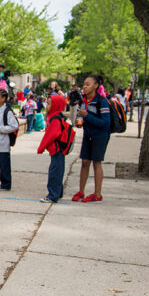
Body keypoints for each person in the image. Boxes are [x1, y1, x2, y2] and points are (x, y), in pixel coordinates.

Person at [72, 75, 111, 204]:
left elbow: (105, 123)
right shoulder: (83, 101)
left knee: (96, 162)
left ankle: (97, 194)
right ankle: (81, 191)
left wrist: (87, 116)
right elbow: (80, 116)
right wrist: (80, 121)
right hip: (87, 135)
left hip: (100, 136)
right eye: (84, 84)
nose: (85, 86)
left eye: (88, 84)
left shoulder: (101, 101)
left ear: (96, 86)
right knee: (84, 162)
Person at [38, 94, 69, 203]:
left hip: (57, 150)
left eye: (49, 103)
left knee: (54, 173)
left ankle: (52, 195)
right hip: (57, 150)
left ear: (56, 105)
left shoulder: (55, 119)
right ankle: (58, 192)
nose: (47, 105)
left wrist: (41, 147)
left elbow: (51, 135)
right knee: (57, 170)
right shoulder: (55, 117)